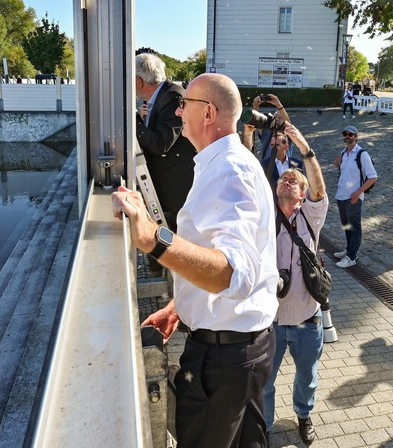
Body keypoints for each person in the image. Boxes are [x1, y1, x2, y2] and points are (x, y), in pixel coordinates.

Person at [112, 73, 278, 447]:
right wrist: (181, 304)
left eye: (184, 103)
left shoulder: (229, 171)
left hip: (224, 359)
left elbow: (231, 273)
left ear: (208, 113)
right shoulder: (224, 163)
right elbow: (231, 258)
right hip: (242, 351)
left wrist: (155, 239)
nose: (179, 110)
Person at [264, 122, 328, 447]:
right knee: (264, 382)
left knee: (307, 378)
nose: (288, 179)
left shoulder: (310, 217)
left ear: (302, 195)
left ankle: (304, 415)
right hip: (270, 322)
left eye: (295, 180)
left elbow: (319, 187)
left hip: (306, 320)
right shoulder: (265, 217)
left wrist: (303, 147)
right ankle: (263, 426)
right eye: (284, 178)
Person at [135, 53, 196, 233]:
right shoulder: (164, 95)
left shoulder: (172, 96)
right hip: (171, 186)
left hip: (177, 190)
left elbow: (161, 144)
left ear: (139, 81)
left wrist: (133, 121)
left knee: (177, 244)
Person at [332, 125, 377, 268]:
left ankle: (351, 257)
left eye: (350, 134)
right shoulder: (344, 153)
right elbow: (346, 173)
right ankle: (349, 249)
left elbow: (372, 177)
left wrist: (358, 193)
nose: (347, 136)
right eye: (345, 134)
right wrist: (337, 165)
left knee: (355, 228)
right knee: (347, 226)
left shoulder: (362, 154)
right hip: (341, 196)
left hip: (353, 198)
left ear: (356, 137)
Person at [241, 93, 292, 159]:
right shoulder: (267, 133)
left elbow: (288, 123)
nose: (277, 119)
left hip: (285, 168)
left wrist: (278, 105)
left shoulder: (288, 135)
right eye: (275, 116)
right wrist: (255, 106)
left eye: (280, 117)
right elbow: (255, 122)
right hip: (267, 168)